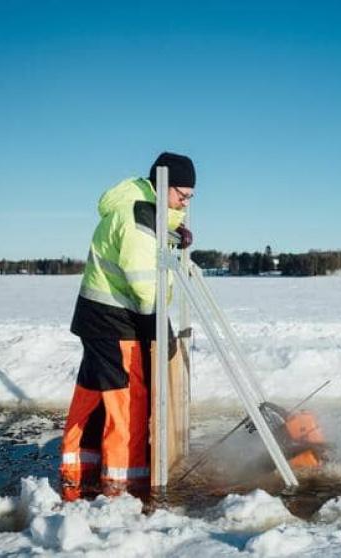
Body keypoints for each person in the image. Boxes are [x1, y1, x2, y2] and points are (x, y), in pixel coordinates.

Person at [60, 152, 195, 497]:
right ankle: (125, 483)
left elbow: (146, 252)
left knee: (93, 393)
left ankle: (79, 468)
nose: (186, 201)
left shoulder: (138, 208)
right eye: (182, 194)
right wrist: (158, 325)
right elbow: (142, 279)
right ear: (163, 186)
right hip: (115, 319)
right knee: (127, 401)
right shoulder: (138, 215)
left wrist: (170, 236)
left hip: (99, 317)